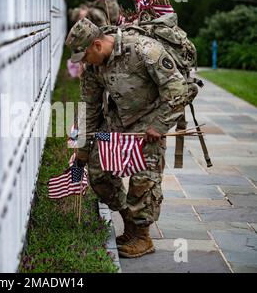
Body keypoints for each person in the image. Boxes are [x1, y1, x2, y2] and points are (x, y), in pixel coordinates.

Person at [65, 18, 188, 258]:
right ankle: (129, 223)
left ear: (97, 45)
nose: (84, 64)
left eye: (86, 56)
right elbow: (88, 107)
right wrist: (82, 147)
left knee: (144, 179)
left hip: (150, 123)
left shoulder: (145, 50)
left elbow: (178, 90)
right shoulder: (92, 68)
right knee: (98, 170)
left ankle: (143, 237)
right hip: (116, 123)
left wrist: (160, 124)